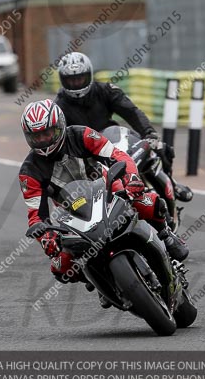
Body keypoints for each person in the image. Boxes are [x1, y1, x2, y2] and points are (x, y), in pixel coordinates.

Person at [18, 99, 188, 292]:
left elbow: (119, 156)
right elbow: (36, 216)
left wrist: (132, 178)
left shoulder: (82, 135)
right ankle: (99, 280)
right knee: (61, 267)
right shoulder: (29, 171)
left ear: (60, 126)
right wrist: (46, 238)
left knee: (147, 202)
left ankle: (166, 234)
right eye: (36, 136)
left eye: (47, 133)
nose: (43, 140)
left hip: (108, 187)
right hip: (72, 212)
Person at [53, 52, 192, 212]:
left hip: (114, 140)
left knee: (160, 147)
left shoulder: (106, 90)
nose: (76, 83)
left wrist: (149, 133)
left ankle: (172, 185)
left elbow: (131, 112)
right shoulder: (59, 106)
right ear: (63, 80)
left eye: (80, 78)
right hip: (86, 154)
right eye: (71, 80)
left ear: (89, 75)